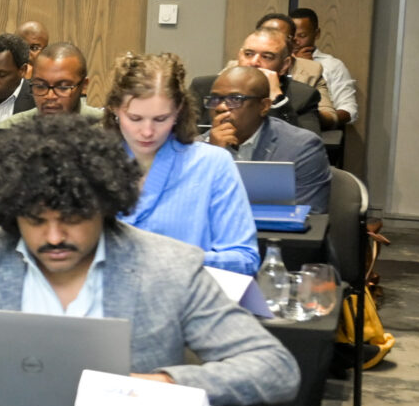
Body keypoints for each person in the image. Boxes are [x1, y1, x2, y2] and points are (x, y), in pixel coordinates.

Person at [0, 114, 300, 406]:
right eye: (35, 220)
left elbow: (273, 366)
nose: (54, 237)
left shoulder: (169, 267)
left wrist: (166, 383)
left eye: (73, 219)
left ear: (105, 205)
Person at [110, 51, 259, 276]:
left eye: (160, 119)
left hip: (188, 293)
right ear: (114, 108)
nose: (147, 132)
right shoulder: (90, 163)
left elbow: (244, 259)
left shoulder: (212, 164)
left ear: (178, 110)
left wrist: (172, 260)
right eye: (135, 118)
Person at [203, 65, 330, 206]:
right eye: (215, 99)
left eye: (235, 99)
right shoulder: (199, 148)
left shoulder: (302, 147)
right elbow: (190, 207)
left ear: (264, 106)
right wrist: (214, 156)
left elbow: (311, 214)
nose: (220, 107)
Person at [193, 24, 324, 136]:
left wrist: (277, 100)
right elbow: (185, 136)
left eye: (267, 57)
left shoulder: (303, 96)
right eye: (248, 54)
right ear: (239, 56)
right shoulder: (204, 87)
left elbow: (307, 146)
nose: (254, 62)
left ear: (285, 65)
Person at [0, 42, 103, 127]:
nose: (50, 96)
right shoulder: (10, 129)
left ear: (84, 86)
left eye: (62, 87)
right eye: (40, 86)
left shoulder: (105, 127)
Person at [289, 7, 358, 128]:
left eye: (302, 35)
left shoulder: (332, 65)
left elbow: (349, 110)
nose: (296, 41)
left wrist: (320, 119)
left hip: (320, 130)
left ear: (317, 34)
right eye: (291, 36)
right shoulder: (278, 63)